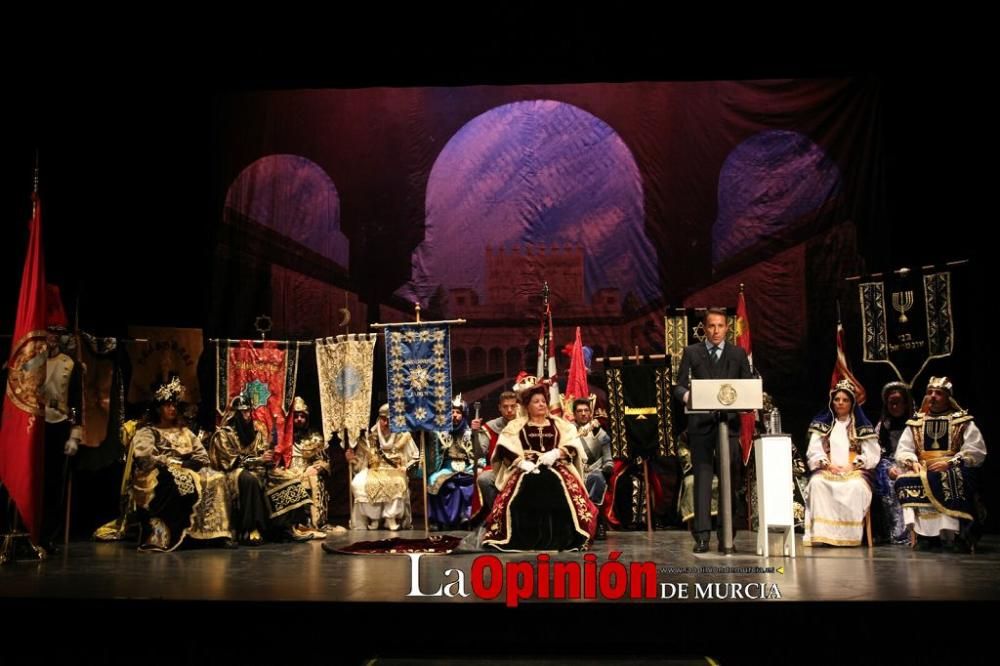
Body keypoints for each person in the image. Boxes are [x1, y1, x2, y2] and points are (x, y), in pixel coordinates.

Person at [672, 307, 752, 553]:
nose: (716, 331)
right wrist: (689, 398)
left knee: (729, 481)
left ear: (727, 328)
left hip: (728, 427)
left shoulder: (738, 354)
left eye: (720, 326)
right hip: (701, 427)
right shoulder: (692, 352)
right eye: (711, 326)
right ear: (704, 328)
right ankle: (703, 536)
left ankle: (727, 535)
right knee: (703, 480)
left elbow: (747, 385)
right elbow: (679, 385)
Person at [481, 384, 597, 551]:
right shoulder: (515, 426)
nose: (542, 404)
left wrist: (557, 453)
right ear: (527, 406)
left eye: (543, 401)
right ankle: (522, 538)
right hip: (526, 468)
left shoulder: (561, 424)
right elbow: (504, 447)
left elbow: (573, 444)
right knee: (523, 491)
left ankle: (564, 537)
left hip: (556, 466)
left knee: (560, 489)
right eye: (536, 401)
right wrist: (520, 462)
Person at [131, 378, 233, 551]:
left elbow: (202, 455)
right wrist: (170, 462)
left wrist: (190, 463)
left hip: (186, 468)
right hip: (158, 472)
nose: (172, 409)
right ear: (158, 408)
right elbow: (144, 457)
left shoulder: (184, 431)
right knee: (177, 480)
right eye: (167, 405)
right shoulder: (148, 432)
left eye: (174, 405)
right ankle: (168, 533)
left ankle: (213, 534)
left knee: (217, 477)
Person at [895, 376, 986, 552]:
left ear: (948, 397)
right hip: (923, 467)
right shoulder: (916, 422)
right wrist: (911, 462)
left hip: (952, 467)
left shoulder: (962, 421)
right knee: (905, 479)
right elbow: (904, 449)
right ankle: (925, 536)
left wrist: (951, 463)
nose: (933, 396)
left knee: (951, 478)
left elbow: (976, 450)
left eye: (938, 393)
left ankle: (958, 535)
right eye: (930, 393)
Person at [211, 395, 315, 544]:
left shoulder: (256, 431)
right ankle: (252, 528)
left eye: (248, 411)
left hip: (257, 468)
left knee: (288, 477)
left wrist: (267, 458)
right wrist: (258, 460)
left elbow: (260, 451)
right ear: (235, 413)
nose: (247, 415)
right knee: (250, 479)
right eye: (243, 412)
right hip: (233, 472)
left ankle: (287, 528)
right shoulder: (223, 435)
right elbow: (230, 461)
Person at [803, 379, 879, 547]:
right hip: (828, 468)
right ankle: (823, 535)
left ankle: (848, 536)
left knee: (856, 486)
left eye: (845, 400)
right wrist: (827, 465)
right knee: (816, 483)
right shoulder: (823, 424)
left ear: (852, 403)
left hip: (853, 469)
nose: (840, 403)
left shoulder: (861, 426)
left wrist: (853, 465)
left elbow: (872, 453)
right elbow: (814, 450)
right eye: (837, 399)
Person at [347, 404, 419, 530]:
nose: (386, 423)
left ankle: (390, 518)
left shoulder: (403, 435)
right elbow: (361, 460)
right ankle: (374, 518)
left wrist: (406, 467)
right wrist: (352, 459)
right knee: (358, 483)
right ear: (379, 419)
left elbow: (415, 456)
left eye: (389, 420)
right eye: (383, 419)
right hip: (375, 470)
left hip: (395, 470)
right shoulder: (371, 436)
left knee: (397, 482)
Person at [872, 381, 914, 545]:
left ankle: (912, 531)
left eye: (898, 402)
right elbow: (877, 451)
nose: (894, 406)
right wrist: (889, 468)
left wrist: (909, 464)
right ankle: (895, 532)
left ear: (905, 403)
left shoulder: (915, 424)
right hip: (889, 464)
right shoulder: (883, 425)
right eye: (891, 403)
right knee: (889, 484)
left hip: (911, 463)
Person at [427, 396, 475, 529]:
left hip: (466, 468)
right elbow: (432, 452)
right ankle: (437, 520)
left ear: (463, 415)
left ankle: (467, 517)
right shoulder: (439, 433)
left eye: (458, 412)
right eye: (452, 412)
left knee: (470, 483)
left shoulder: (471, 433)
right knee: (434, 480)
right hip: (446, 468)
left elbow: (478, 454)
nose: (455, 415)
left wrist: (479, 465)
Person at [472, 390, 519, 520]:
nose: (509, 410)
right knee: (484, 479)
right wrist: (475, 434)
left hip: (521, 468)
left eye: (512, 406)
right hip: (499, 469)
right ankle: (499, 515)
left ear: (517, 406)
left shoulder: (524, 423)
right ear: (499, 408)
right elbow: (479, 453)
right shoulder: (491, 427)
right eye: (505, 407)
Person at [572, 398, 612, 539]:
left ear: (590, 413)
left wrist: (607, 466)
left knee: (597, 479)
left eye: (586, 410)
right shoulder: (569, 432)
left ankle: (598, 523)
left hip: (594, 472)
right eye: (579, 411)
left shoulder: (600, 433)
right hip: (574, 472)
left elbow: (607, 458)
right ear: (574, 414)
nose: (583, 414)